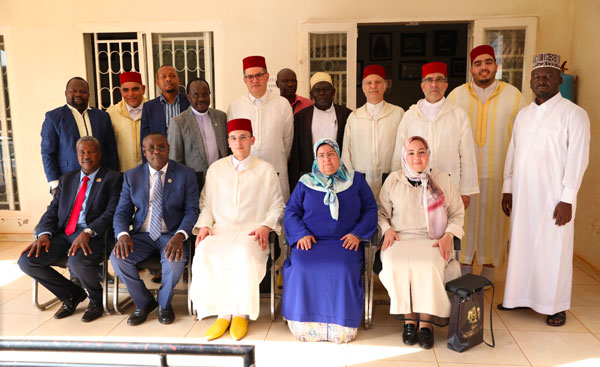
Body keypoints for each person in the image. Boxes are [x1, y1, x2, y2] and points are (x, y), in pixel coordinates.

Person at [499, 53, 590, 327]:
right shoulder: (523, 115)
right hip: (524, 194)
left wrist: (567, 198)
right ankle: (517, 297)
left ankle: (555, 305)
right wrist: (508, 188)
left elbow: (578, 158)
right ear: (530, 81)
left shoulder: (574, 115)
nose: (542, 81)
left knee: (554, 249)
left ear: (559, 80)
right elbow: (513, 153)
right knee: (522, 245)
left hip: (554, 197)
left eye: (548, 76)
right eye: (537, 76)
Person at [190, 118, 285, 341]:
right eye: (233, 138)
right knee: (205, 251)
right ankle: (223, 313)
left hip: (251, 231)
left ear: (252, 140)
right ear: (228, 142)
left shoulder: (265, 170)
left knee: (242, 253)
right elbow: (207, 204)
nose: (238, 142)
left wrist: (265, 226)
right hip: (221, 229)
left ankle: (241, 312)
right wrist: (204, 225)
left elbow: (277, 205)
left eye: (243, 137)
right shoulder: (216, 169)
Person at [282, 138, 377, 343]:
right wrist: (300, 234)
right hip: (311, 242)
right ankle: (304, 325)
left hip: (345, 243)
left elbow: (370, 210)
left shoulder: (356, 180)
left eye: (331, 154)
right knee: (300, 266)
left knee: (342, 268)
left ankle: (341, 325)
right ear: (316, 159)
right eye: (322, 155)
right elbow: (291, 211)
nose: (327, 159)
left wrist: (357, 234)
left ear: (338, 155)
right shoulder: (305, 182)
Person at [19, 137, 122, 322]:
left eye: (91, 152)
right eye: (82, 152)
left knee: (76, 262)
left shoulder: (113, 178)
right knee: (27, 261)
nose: (86, 156)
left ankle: (96, 301)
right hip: (64, 233)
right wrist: (44, 234)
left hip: (94, 235)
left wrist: (88, 232)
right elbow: (52, 210)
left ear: (99, 154)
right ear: (76, 155)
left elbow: (111, 212)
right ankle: (71, 294)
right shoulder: (67, 179)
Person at [448, 45, 529, 280]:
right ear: (471, 68)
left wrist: (515, 180)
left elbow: (523, 137)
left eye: (488, 62)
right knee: (464, 226)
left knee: (494, 229)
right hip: (464, 177)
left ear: (495, 66)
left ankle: (486, 283)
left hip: (499, 174)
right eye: (478, 63)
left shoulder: (514, 96)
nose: (483, 67)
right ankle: (462, 280)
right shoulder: (456, 95)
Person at [378, 136, 464, 349]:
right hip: (399, 237)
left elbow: (457, 214)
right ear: (404, 156)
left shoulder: (442, 180)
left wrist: (448, 236)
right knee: (394, 264)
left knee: (429, 265)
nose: (417, 157)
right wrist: (386, 229)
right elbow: (380, 212)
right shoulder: (393, 180)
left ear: (428, 154)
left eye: (421, 152)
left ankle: (426, 324)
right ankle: (409, 321)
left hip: (433, 238)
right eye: (411, 153)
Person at [110, 133, 199, 326]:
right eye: (151, 148)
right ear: (144, 151)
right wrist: (123, 235)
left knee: (174, 264)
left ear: (169, 148)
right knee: (117, 258)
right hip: (141, 235)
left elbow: (192, 210)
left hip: (172, 235)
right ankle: (144, 302)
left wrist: (180, 235)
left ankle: (164, 304)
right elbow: (122, 212)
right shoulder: (131, 176)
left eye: (161, 147)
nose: (156, 151)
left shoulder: (186, 174)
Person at [392, 62, 479, 210]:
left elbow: (467, 155)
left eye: (439, 79)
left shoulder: (458, 115)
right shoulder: (410, 115)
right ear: (422, 85)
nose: (434, 84)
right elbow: (398, 155)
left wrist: (466, 192)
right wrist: (396, 187)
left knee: (448, 230)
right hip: (415, 188)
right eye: (429, 80)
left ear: (445, 85)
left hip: (450, 187)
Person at [227, 56, 294, 199]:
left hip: (276, 169)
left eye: (259, 75)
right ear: (245, 80)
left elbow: (287, 141)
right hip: (246, 174)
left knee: (277, 214)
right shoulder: (235, 105)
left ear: (267, 76)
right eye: (250, 77)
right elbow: (233, 140)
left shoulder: (282, 104)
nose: (255, 80)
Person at [41, 77, 119, 194]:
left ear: (88, 94)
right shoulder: (54, 118)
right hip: (68, 180)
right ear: (66, 93)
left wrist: (114, 177)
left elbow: (111, 149)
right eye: (73, 91)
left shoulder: (102, 117)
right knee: (73, 212)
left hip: (101, 179)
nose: (78, 94)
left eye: (83, 91)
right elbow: (48, 152)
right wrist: (54, 184)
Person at [341, 64, 404, 198]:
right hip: (361, 180)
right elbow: (346, 154)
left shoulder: (397, 114)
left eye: (378, 82)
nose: (373, 86)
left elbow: (402, 149)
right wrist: (352, 182)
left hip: (390, 179)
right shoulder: (355, 117)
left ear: (385, 85)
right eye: (369, 83)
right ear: (363, 87)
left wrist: (396, 177)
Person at [288, 72, 352, 191]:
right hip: (309, 175)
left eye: (325, 89)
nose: (321, 93)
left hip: (339, 175)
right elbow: (296, 152)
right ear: (312, 94)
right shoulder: (301, 117)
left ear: (333, 91)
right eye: (317, 90)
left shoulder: (346, 114)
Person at [168, 78, 228, 190]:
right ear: (188, 97)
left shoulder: (221, 117)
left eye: (205, 94)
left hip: (222, 181)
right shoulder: (178, 122)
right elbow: (175, 160)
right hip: (194, 184)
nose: (201, 99)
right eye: (196, 95)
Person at [140, 65, 190, 149]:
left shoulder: (189, 102)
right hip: (160, 157)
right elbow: (144, 139)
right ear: (158, 82)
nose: (168, 79)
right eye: (163, 76)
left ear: (178, 80)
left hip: (186, 156)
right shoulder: (149, 107)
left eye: (172, 76)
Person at [107, 71, 148, 172]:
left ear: (143, 89)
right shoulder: (111, 113)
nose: (131, 94)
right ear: (121, 91)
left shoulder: (154, 109)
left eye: (135, 89)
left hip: (150, 173)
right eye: (126, 90)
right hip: (122, 174)